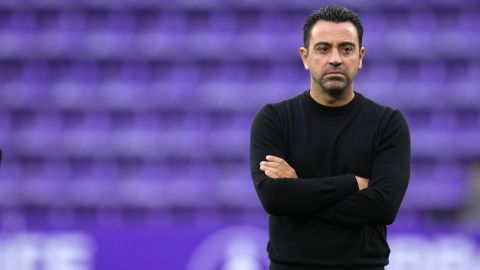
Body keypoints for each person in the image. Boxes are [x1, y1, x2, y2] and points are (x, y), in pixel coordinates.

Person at [249, 4, 411, 270]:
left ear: (360, 56)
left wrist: (298, 188)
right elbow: (274, 198)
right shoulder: (274, 119)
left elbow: (384, 206)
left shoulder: (387, 123)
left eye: (346, 49)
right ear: (305, 56)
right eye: (323, 48)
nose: (335, 58)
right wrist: (352, 184)